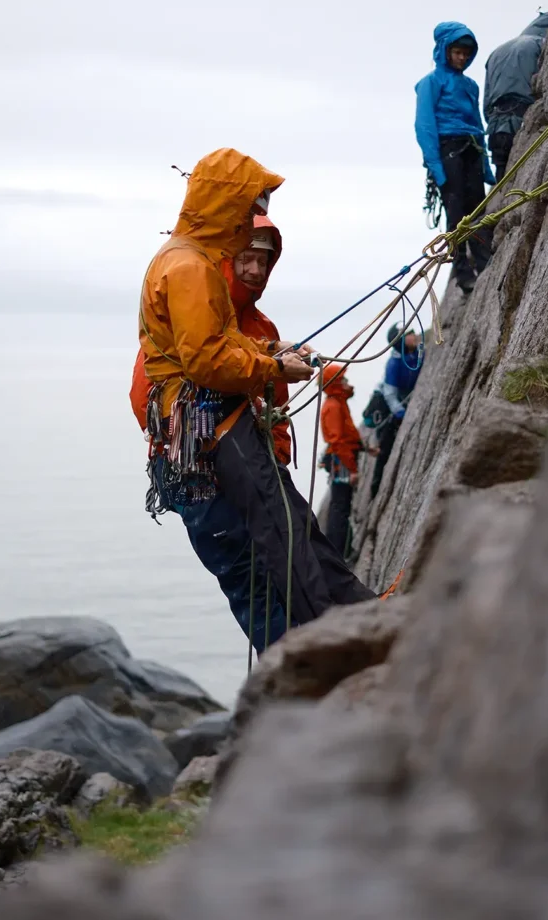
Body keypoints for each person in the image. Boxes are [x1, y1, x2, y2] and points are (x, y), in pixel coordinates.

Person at [135, 147, 374, 637]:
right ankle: (339, 636)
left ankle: (359, 614)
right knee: (282, 535)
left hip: (208, 434)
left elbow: (211, 343)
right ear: (226, 205)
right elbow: (205, 358)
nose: (254, 220)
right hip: (215, 432)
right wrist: (271, 368)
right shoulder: (190, 268)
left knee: (292, 527)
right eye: (251, 208)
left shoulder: (185, 260)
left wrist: (268, 347)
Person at [130, 216, 291, 654]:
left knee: (284, 572)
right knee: (249, 579)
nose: (256, 270)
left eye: (265, 260)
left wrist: (273, 455)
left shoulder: (263, 332)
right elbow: (146, 397)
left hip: (255, 468)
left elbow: (278, 408)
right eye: (247, 258)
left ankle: (307, 669)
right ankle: (298, 678)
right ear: (227, 258)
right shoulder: (191, 316)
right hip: (199, 472)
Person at [415, 22, 496, 294]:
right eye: (457, 52)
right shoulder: (430, 83)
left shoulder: (470, 85)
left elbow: (478, 124)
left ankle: (486, 263)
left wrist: (485, 167)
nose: (462, 58)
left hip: (471, 148)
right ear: (445, 51)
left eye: (465, 53)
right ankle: (463, 274)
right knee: (456, 213)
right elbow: (424, 126)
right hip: (448, 150)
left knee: (477, 209)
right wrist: (436, 168)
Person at [484, 13, 548, 182]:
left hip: (496, 127)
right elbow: (545, 84)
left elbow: (487, 102)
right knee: (524, 180)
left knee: (503, 180)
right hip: (522, 121)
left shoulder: (497, 52)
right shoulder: (541, 44)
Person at [366, 325, 424, 500]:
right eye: (409, 334)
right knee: (385, 446)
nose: (414, 335)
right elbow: (390, 394)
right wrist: (399, 412)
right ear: (401, 341)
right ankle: (375, 490)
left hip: (402, 399)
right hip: (388, 406)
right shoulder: (394, 363)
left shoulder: (417, 353)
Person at [320, 364, 363, 556]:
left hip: (340, 459)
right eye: (343, 379)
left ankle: (342, 549)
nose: (347, 383)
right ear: (336, 382)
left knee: (341, 505)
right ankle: (339, 552)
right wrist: (352, 469)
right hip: (340, 461)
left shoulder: (337, 402)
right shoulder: (334, 406)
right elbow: (337, 442)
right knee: (340, 506)